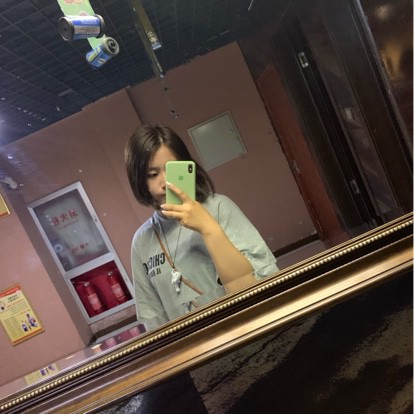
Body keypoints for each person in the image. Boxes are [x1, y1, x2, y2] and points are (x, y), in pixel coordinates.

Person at [125, 124, 278, 331]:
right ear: (139, 181)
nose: (164, 182)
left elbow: (257, 289)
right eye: (152, 174)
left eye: (173, 170)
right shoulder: (142, 241)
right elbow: (155, 323)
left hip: (247, 330)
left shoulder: (219, 208)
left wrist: (208, 227)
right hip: (197, 344)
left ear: (187, 167)